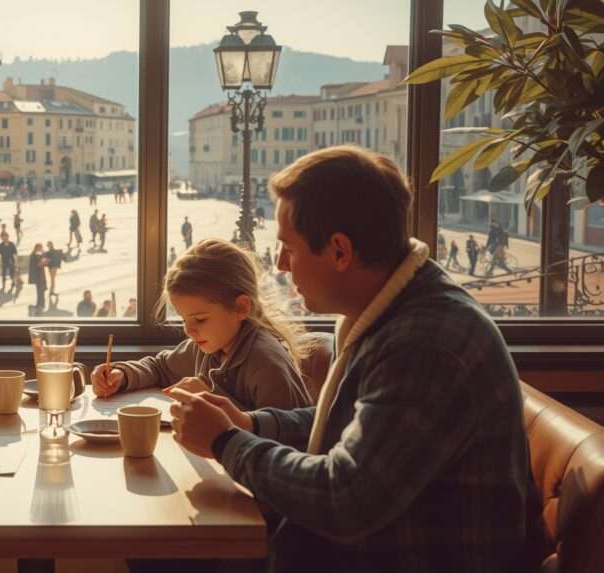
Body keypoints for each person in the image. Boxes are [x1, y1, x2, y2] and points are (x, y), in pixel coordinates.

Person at [168, 146, 542, 572]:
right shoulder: (398, 310)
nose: (281, 265)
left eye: (288, 247)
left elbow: (346, 500)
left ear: (340, 251)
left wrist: (225, 442)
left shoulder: (425, 344)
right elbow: (350, 423)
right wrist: (249, 423)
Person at [91, 238, 312, 411]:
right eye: (184, 319)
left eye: (200, 319)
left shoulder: (266, 364)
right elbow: (160, 367)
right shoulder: (209, 345)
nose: (189, 330)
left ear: (241, 308)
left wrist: (211, 398)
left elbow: (286, 439)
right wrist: (122, 375)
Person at [28, 243, 48, 315]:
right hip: (38, 276)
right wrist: (44, 258)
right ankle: (40, 305)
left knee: (40, 291)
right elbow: (39, 264)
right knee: (40, 291)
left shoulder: (35, 255)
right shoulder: (34, 255)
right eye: (39, 248)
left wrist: (43, 258)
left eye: (41, 248)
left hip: (40, 275)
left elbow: (42, 263)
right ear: (36, 248)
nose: (40, 249)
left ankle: (40, 304)